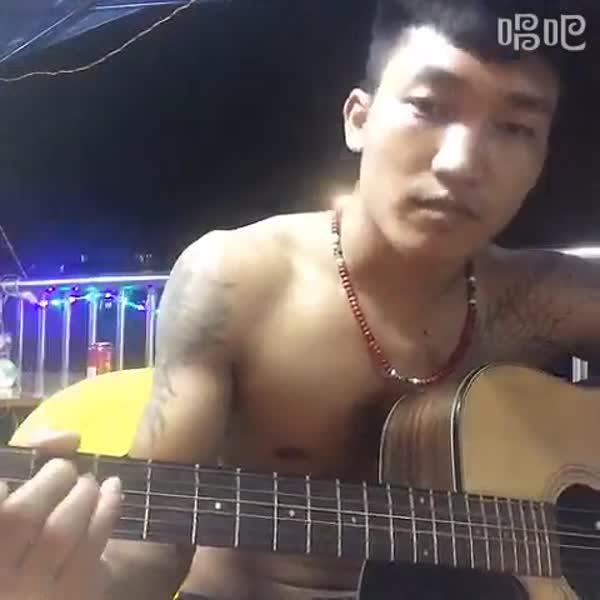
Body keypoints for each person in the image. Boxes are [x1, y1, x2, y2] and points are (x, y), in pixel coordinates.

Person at [3, 0, 599, 597]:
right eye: (428, 106)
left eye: (515, 128)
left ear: (541, 158)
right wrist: (74, 582)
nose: (461, 163)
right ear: (358, 120)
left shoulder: (551, 298)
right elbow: (149, 550)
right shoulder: (235, 281)